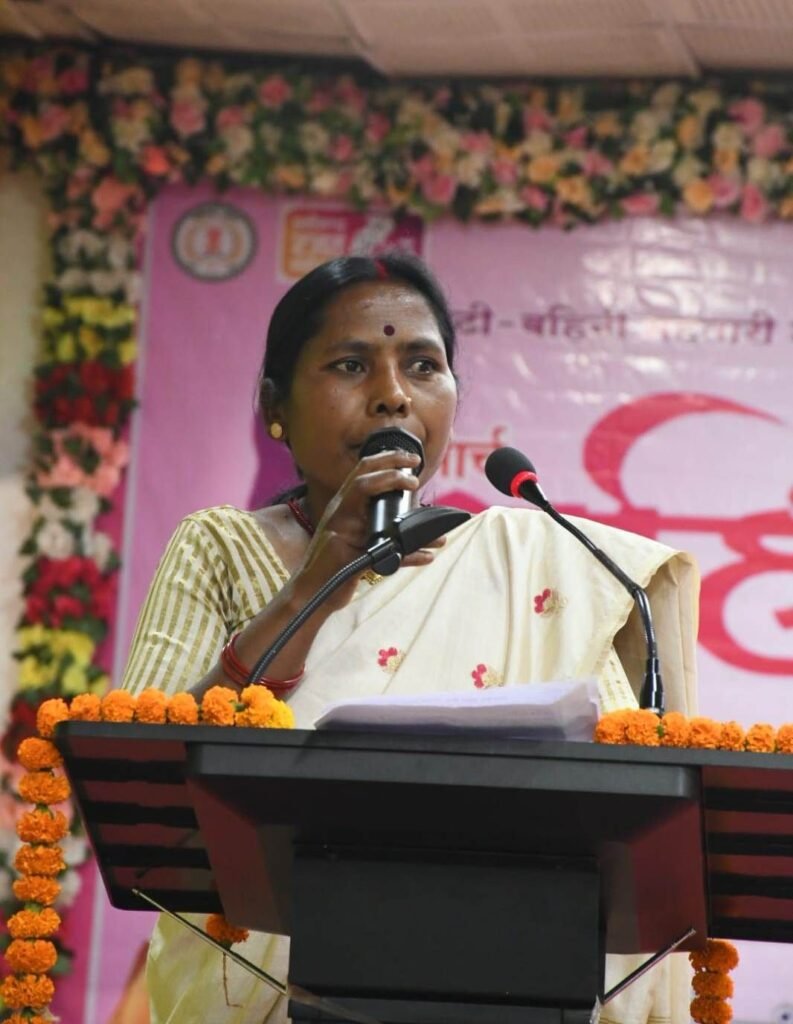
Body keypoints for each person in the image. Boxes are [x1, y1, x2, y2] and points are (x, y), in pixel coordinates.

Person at [122, 251, 699, 1024]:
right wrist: (311, 589)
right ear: (274, 407)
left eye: (423, 365)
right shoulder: (221, 547)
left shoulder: (526, 568)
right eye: (350, 364)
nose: (393, 393)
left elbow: (625, 815)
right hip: (269, 987)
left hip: (509, 976)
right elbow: (138, 781)